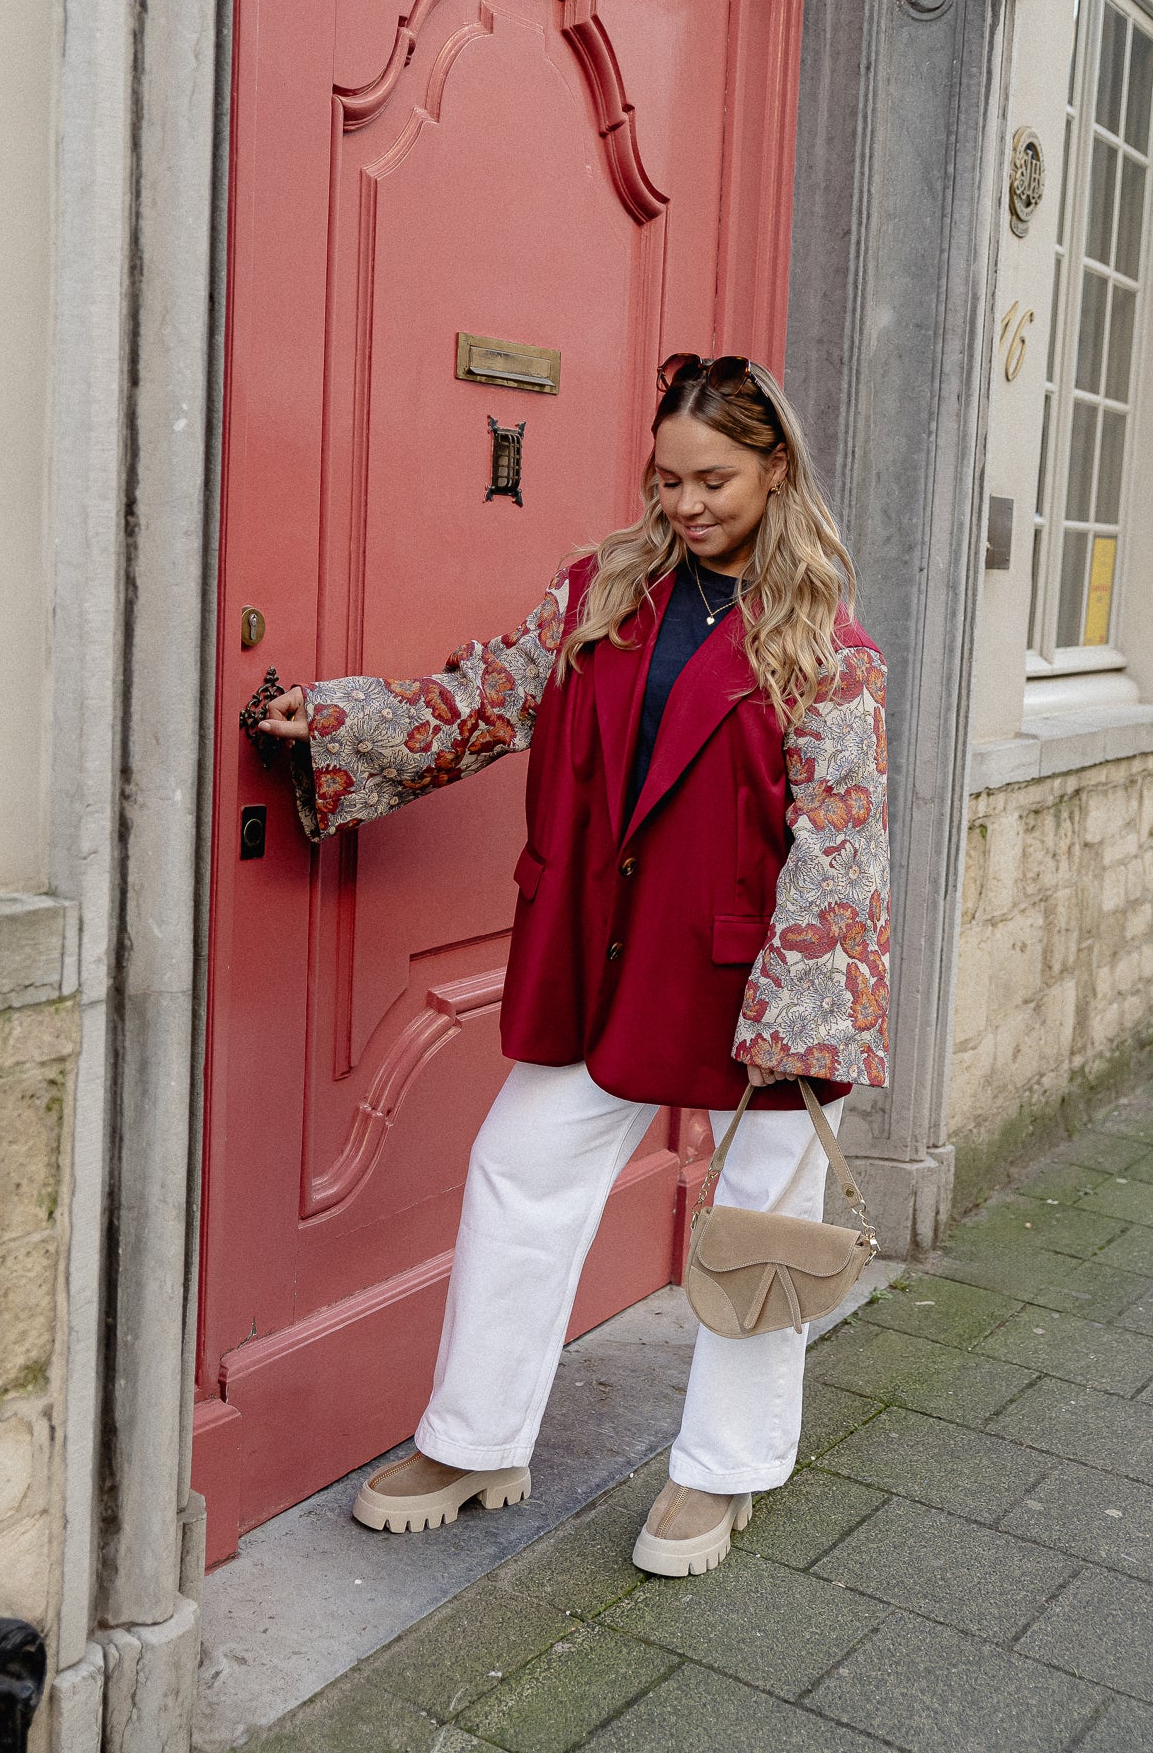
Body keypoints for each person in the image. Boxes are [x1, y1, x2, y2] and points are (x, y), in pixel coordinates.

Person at [258, 353, 889, 1578]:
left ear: (774, 469)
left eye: (713, 479)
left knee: (760, 1224)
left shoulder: (824, 636)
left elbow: (842, 839)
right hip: (613, 956)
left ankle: (722, 1471)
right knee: (518, 1164)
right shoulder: (601, 590)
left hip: (765, 980)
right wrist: (346, 723)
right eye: (666, 479)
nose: (686, 504)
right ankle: (477, 1439)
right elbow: (490, 696)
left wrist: (802, 1016)